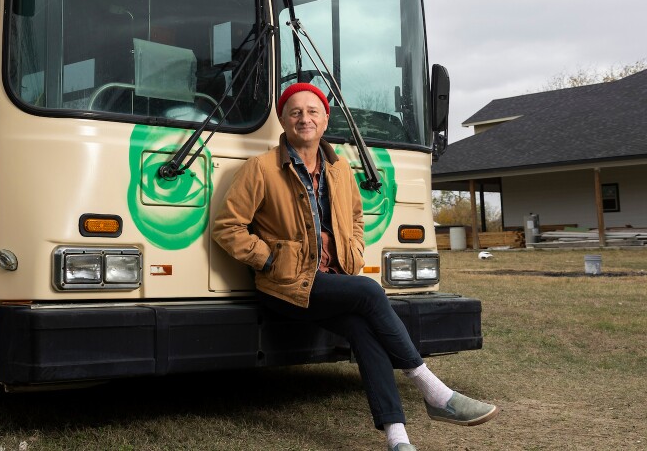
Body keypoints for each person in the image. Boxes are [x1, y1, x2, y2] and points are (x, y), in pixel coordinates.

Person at [212, 82, 498, 451]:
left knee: (364, 331)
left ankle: (398, 438)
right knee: (368, 290)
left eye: (313, 111)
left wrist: (355, 249)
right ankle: (433, 389)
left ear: (325, 119)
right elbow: (227, 227)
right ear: (283, 120)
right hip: (284, 286)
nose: (305, 118)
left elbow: (357, 218)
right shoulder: (261, 168)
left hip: (331, 282)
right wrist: (269, 259)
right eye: (295, 112)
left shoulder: (340, 169)